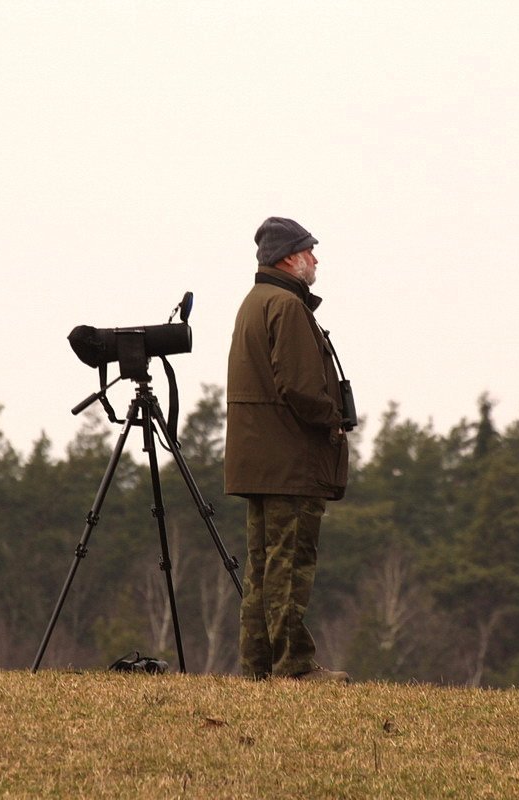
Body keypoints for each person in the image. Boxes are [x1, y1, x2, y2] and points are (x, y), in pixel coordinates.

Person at [225, 216, 350, 683]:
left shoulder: (253, 302)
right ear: (288, 258)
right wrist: (332, 423)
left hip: (257, 459)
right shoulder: (287, 307)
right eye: (308, 250)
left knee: (262, 565)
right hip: (289, 461)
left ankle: (257, 668)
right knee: (290, 561)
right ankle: (295, 667)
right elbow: (300, 388)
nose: (315, 259)